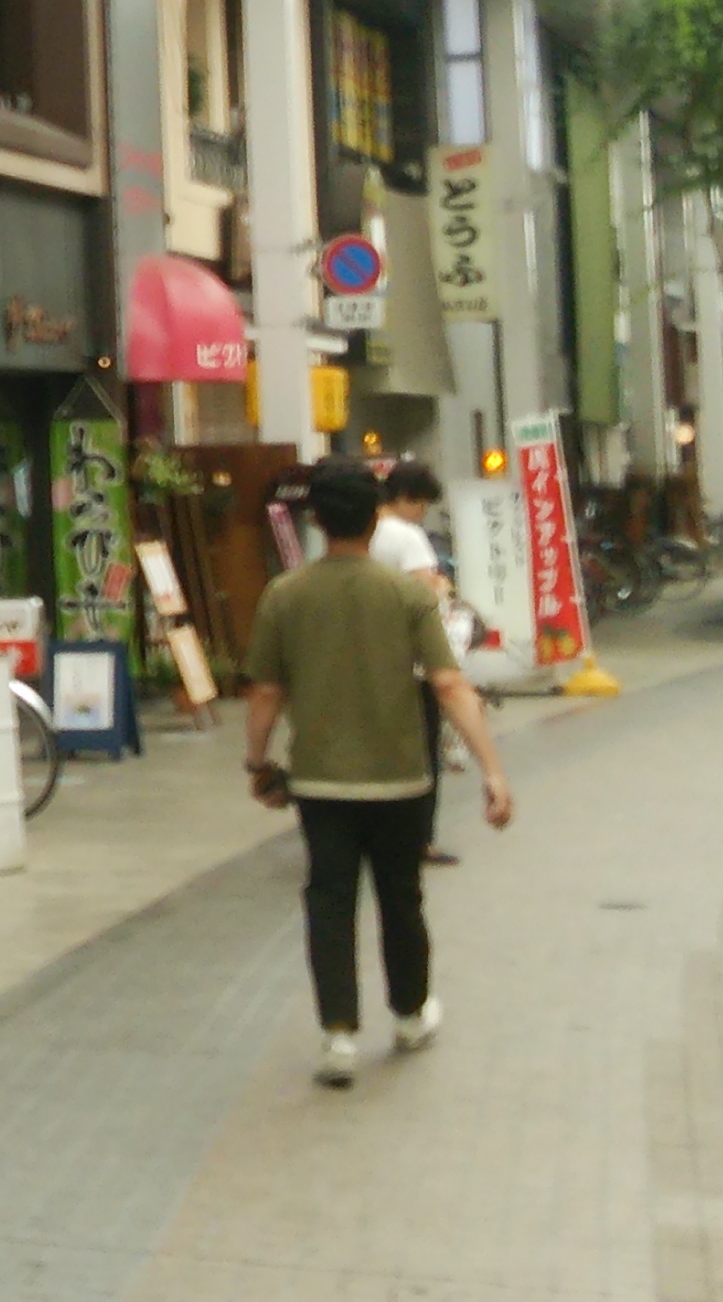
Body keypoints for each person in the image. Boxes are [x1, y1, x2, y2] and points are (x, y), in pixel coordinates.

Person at [245, 466, 514, 1088]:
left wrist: (258, 764)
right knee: (401, 897)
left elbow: (265, 694)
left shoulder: (285, 595)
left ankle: (338, 1035)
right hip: (401, 779)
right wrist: (492, 771)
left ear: (315, 520)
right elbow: (449, 683)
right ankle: (410, 1015)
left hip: (320, 782)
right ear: (376, 519)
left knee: (329, 900)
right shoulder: (409, 595)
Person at [368, 459, 465, 866]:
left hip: (366, 660)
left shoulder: (361, 530)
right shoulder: (406, 536)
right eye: (421, 504)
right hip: (411, 662)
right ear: (406, 498)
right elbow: (428, 592)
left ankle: (371, 837)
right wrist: (443, 585)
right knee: (423, 754)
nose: (422, 513)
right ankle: (418, 840)